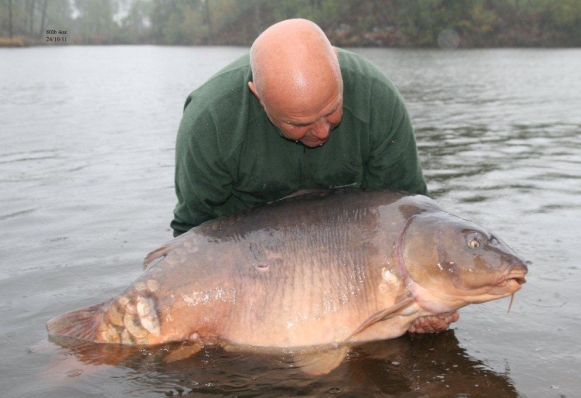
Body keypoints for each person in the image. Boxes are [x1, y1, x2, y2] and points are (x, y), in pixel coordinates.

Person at [170, 18, 458, 334]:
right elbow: (192, 233)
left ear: (335, 62)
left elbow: (409, 217)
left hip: (346, 267)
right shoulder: (209, 122)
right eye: (297, 124)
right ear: (257, 96)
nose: (320, 132)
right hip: (247, 268)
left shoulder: (379, 101)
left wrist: (425, 301)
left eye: (331, 111)